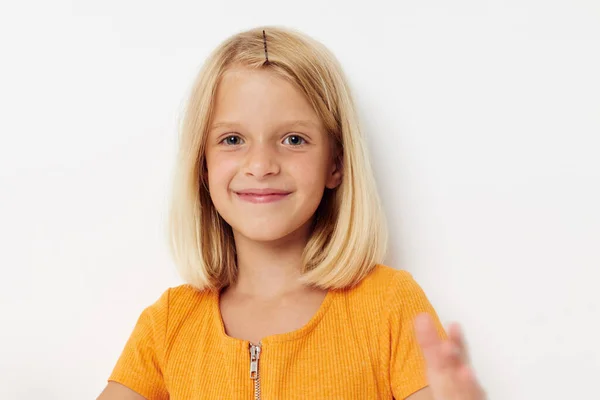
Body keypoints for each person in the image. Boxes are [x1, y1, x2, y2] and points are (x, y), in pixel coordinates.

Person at [97, 25, 486, 400]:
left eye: (293, 139)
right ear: (203, 166)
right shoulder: (169, 323)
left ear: (336, 164)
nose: (261, 164)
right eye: (232, 140)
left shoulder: (389, 306)